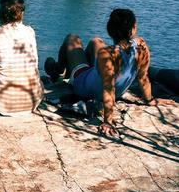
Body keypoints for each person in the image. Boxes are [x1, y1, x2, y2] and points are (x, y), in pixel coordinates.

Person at [45, 8, 156, 137]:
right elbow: (143, 77)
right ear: (133, 29)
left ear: (109, 30)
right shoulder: (141, 46)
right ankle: (69, 68)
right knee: (96, 41)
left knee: (72, 38)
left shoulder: (107, 54)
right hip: (116, 90)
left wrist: (107, 121)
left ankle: (57, 71)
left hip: (82, 84)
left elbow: (108, 89)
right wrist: (150, 100)